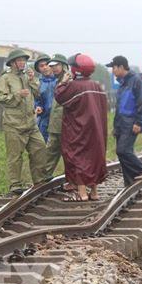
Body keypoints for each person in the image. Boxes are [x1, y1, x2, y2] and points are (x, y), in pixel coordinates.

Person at [54, 53, 108, 201]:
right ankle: (94, 192)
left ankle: (82, 193)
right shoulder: (96, 86)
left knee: (78, 157)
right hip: (96, 129)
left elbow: (59, 96)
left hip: (78, 129)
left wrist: (63, 82)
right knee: (94, 157)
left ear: (75, 69)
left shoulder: (74, 86)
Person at [0, 49, 47, 195]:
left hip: (31, 123)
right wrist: (17, 95)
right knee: (15, 155)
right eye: (20, 60)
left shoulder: (27, 76)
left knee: (40, 148)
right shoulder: (5, 78)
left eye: (24, 60)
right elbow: (1, 99)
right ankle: (15, 184)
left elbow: (38, 93)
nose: (23, 63)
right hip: (13, 123)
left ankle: (39, 180)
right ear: (13, 63)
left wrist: (32, 80)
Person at [106, 55, 142, 187]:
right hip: (121, 123)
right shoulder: (122, 82)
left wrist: (139, 122)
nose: (112, 70)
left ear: (121, 66)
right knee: (121, 154)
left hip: (132, 122)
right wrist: (116, 127)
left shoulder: (136, 80)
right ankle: (130, 182)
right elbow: (120, 107)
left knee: (123, 150)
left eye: (113, 67)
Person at [44, 54, 70, 181]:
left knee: (68, 154)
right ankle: (44, 178)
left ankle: (72, 180)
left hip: (65, 125)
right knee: (50, 151)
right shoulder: (58, 80)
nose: (53, 68)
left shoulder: (69, 80)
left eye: (56, 65)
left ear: (64, 65)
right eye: (52, 66)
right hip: (55, 124)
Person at [33, 54, 56, 143]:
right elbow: (37, 100)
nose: (45, 67)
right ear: (38, 69)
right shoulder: (37, 83)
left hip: (59, 118)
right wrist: (38, 107)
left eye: (47, 65)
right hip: (44, 118)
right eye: (41, 66)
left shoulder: (59, 80)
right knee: (43, 143)